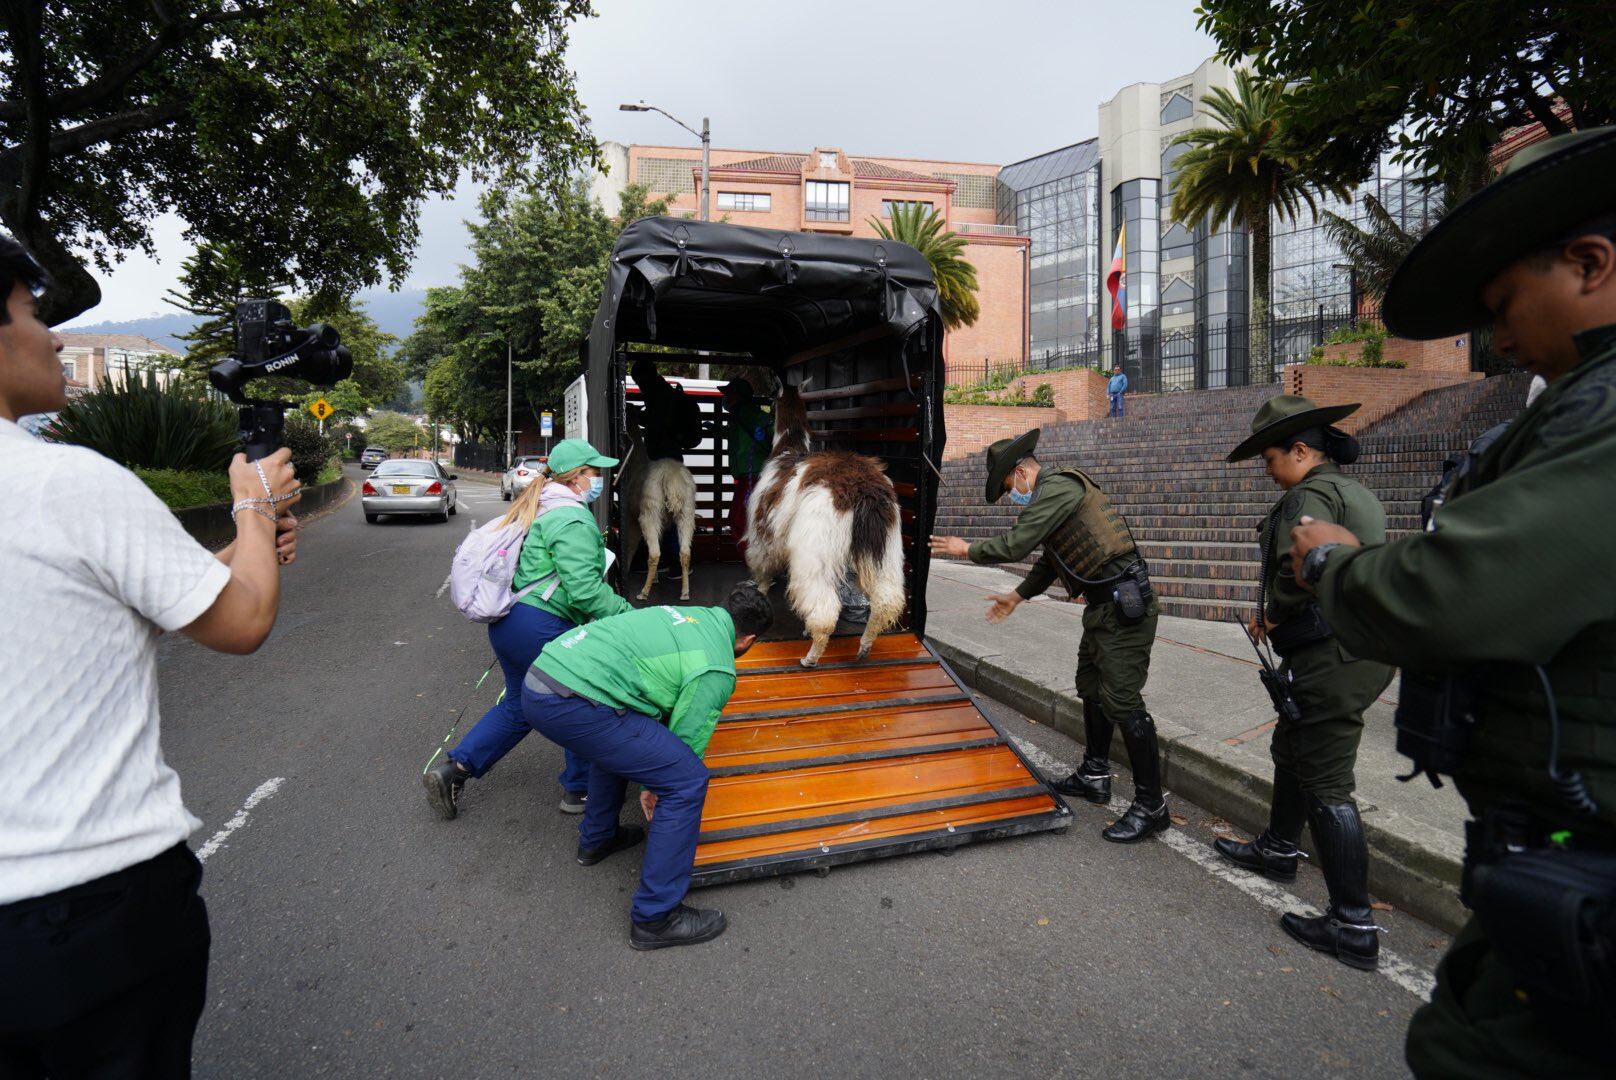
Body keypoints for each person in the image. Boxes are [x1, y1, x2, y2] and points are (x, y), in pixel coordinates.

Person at [1288, 127, 1616, 1076]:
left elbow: (1448, 594)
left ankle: (1347, 915)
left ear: (1590, 264)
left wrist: (1330, 570)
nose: (1500, 341)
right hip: (1555, 858)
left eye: (1506, 306)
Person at [0, 235, 300, 1076]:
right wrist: (254, 508)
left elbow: (85, 612)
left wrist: (237, 549)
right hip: (79, 918)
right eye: (31, 311)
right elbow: (240, 622)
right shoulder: (65, 482)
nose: (54, 336)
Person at [1219, 395, 1394, 969]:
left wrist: (1271, 614)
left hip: (1330, 649)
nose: (1268, 472)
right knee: (1292, 748)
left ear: (1300, 450)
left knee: (1324, 778)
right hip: (1350, 645)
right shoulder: (1353, 491)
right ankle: (1278, 848)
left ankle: (1353, 923)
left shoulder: (1309, 494)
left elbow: (1304, 568)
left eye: (1271, 459)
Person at [929, 429, 1170, 843]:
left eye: (1009, 487)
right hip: (1103, 607)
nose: (1012, 495)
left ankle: (1153, 806)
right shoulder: (1052, 496)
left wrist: (966, 549)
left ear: (1021, 471)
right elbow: (1050, 562)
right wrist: (1016, 596)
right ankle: (1095, 775)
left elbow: (1018, 545)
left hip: (1123, 607)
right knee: (1092, 688)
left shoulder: (1058, 488)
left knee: (1124, 701)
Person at [521, 585, 774, 949]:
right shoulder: (718, 666)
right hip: (572, 700)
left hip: (544, 675)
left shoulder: (685, 615)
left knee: (625, 733)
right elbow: (687, 738)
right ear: (748, 639)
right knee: (685, 780)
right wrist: (653, 787)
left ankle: (598, 839)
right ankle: (656, 918)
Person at [423, 439, 631, 819]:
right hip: (542, 626)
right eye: (594, 471)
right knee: (584, 701)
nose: (600, 478)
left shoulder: (541, 507)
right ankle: (580, 790)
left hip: (512, 624)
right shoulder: (571, 518)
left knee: (520, 706)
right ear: (577, 478)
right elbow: (584, 592)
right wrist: (628, 614)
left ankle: (454, 770)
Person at [718, 377, 772, 556]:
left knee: (738, 521)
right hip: (749, 475)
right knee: (745, 520)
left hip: (753, 475)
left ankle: (757, 565)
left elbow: (768, 426)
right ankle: (759, 565)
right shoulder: (739, 414)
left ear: (738, 396)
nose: (725, 399)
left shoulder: (745, 411)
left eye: (729, 395)